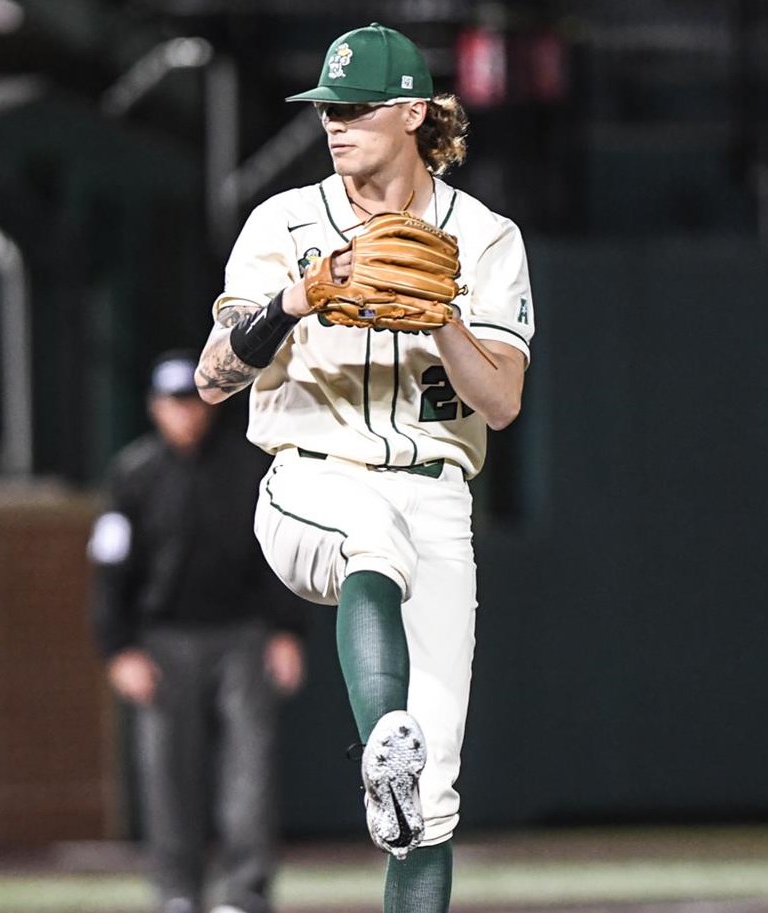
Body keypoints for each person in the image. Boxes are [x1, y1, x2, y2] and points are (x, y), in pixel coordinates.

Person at [192, 23, 534, 913]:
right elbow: (213, 375)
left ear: (414, 112)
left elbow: (500, 403)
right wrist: (296, 297)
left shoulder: (485, 238)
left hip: (436, 496)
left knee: (431, 798)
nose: (333, 124)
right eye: (325, 109)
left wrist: (441, 319)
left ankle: (403, 770)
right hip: (310, 480)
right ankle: (385, 731)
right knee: (368, 541)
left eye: (353, 108)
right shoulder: (284, 223)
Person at [89, 351, 308, 913]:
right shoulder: (134, 475)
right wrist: (120, 649)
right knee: (167, 776)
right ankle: (178, 893)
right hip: (164, 642)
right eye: (172, 403)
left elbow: (275, 557)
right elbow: (111, 570)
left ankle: (245, 892)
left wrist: (285, 631)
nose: (184, 413)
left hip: (241, 637)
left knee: (250, 773)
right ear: (154, 408)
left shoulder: (246, 469)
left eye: (191, 400)